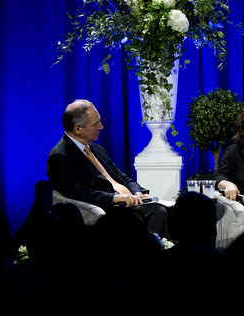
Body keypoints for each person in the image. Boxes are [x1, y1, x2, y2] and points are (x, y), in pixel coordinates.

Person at [48, 99, 169, 237]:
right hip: (107, 209)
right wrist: (114, 198)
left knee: (174, 210)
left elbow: (120, 176)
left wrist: (137, 192)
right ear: (78, 129)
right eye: (96, 123)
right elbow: (77, 192)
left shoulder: (96, 149)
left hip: (128, 202)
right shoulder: (60, 156)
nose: (101, 127)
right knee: (159, 212)